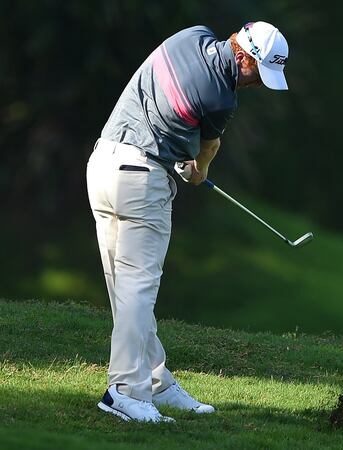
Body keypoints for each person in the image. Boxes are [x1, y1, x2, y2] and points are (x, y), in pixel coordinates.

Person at [86, 21, 289, 423]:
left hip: (103, 165)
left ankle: (156, 382)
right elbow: (206, 149)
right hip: (142, 180)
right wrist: (198, 170)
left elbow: (169, 100)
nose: (258, 84)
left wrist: (178, 146)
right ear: (244, 55)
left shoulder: (190, 35)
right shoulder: (221, 97)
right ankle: (124, 392)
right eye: (257, 72)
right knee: (138, 291)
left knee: (125, 291)